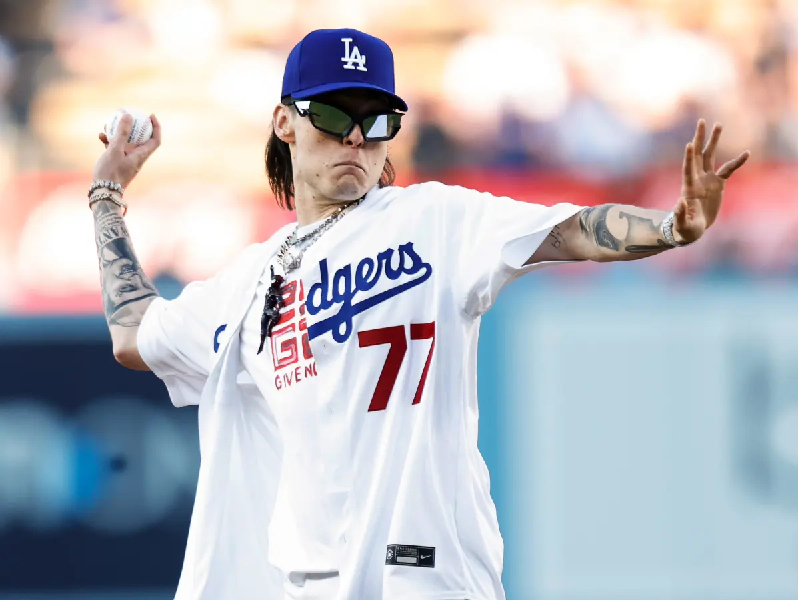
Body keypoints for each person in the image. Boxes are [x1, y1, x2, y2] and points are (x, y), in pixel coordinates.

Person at [88, 28, 750, 600]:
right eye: (335, 113)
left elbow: (572, 230)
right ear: (286, 121)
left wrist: (672, 226)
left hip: (428, 579)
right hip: (308, 583)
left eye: (377, 119)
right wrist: (106, 195)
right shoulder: (247, 282)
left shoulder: (435, 221)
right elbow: (133, 334)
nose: (356, 135)